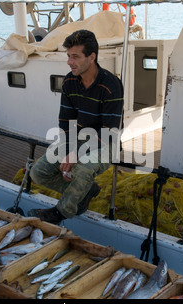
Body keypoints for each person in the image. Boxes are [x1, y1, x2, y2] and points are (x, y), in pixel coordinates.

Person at [27, 29, 124, 224]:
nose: (70, 62)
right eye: (68, 56)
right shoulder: (69, 81)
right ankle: (85, 191)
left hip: (108, 142)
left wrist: (75, 153)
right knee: (38, 172)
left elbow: (109, 131)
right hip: (78, 137)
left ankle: (61, 212)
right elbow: (65, 121)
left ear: (92, 57)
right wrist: (67, 149)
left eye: (75, 57)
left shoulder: (111, 85)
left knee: (82, 169)